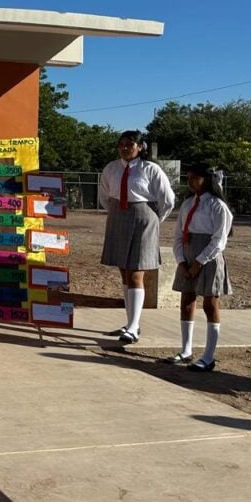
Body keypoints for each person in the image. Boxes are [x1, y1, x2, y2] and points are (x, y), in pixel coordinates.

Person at [98, 131, 175, 345]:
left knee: (136, 274)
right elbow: (104, 196)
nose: (125, 148)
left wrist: (152, 219)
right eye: (121, 144)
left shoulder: (151, 169)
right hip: (117, 217)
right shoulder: (111, 168)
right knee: (124, 273)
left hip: (143, 220)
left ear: (140, 147)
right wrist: (117, 213)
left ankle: (133, 328)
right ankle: (131, 322)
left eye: (130, 144)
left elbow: (167, 200)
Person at [163, 164, 233, 372]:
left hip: (208, 258)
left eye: (196, 178)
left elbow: (219, 240)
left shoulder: (217, 205)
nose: (191, 181)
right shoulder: (187, 204)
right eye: (189, 178)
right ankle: (186, 350)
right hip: (187, 254)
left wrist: (199, 262)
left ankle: (209, 356)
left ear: (207, 180)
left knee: (210, 304)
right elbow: (178, 235)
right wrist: (182, 261)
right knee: (186, 301)